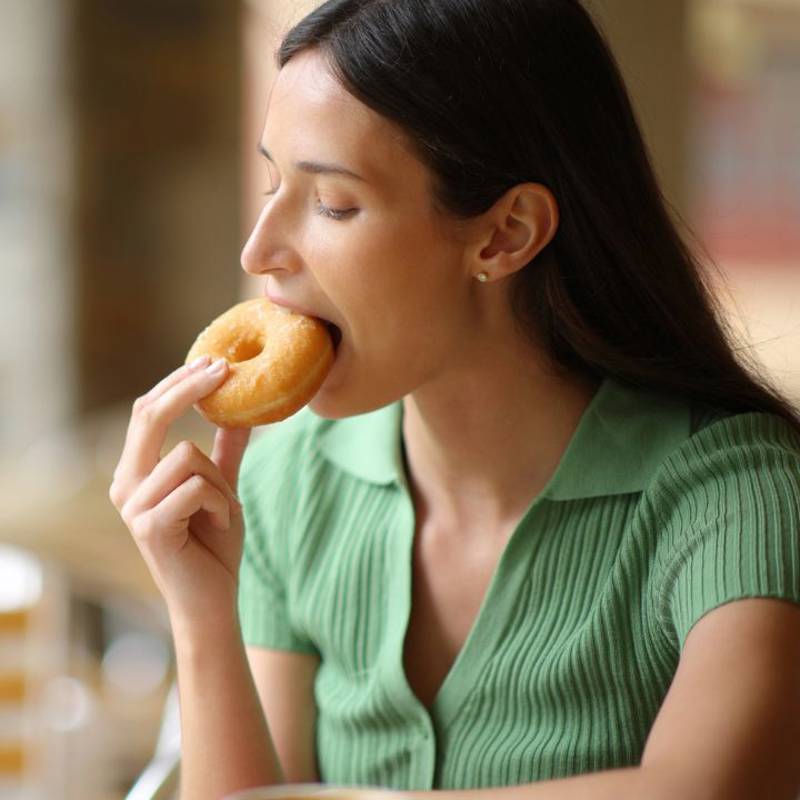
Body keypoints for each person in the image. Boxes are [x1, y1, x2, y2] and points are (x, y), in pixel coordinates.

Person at [109, 2, 800, 799]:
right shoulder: (290, 482)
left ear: (504, 234)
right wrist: (202, 617)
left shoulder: (738, 497)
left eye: (332, 203)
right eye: (270, 183)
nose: (258, 250)